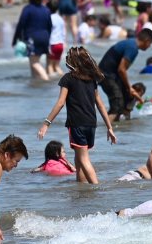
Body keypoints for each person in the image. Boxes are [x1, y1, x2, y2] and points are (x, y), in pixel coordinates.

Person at [38, 46, 116, 184]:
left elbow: (60, 103)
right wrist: (109, 127)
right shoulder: (91, 80)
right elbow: (100, 104)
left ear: (72, 61)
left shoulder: (68, 78)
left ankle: (96, 188)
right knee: (79, 157)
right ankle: (80, 187)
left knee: (84, 159)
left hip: (77, 124)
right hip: (91, 124)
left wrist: (46, 123)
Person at [99, 29, 152, 122]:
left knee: (124, 103)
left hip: (110, 75)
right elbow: (121, 69)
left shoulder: (131, 44)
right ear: (147, 41)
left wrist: (129, 90)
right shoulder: (132, 48)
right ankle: (106, 131)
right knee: (117, 105)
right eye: (150, 43)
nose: (150, 46)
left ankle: (119, 131)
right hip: (107, 76)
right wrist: (129, 87)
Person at [12, 0, 52, 81]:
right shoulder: (46, 10)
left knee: (34, 63)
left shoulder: (28, 9)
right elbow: (50, 26)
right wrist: (48, 38)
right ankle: (35, 82)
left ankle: (46, 79)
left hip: (33, 38)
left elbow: (21, 24)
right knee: (33, 61)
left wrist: (15, 39)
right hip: (45, 37)